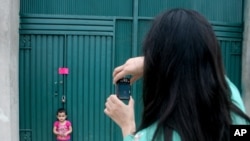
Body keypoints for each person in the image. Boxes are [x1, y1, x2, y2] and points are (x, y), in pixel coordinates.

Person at [104, 8, 250, 141]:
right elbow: (205, 72)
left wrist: (128, 126)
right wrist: (154, 63)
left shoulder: (156, 135)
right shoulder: (231, 107)